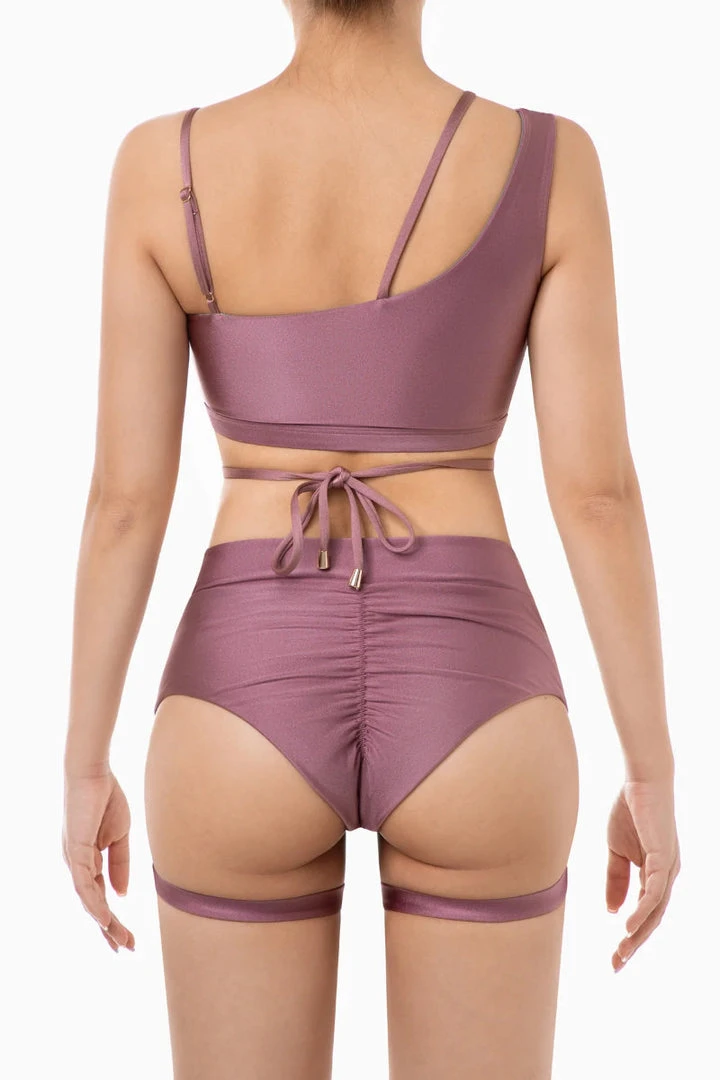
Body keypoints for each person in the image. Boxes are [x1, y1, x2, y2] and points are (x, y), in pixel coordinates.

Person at [61, 0, 681, 1076]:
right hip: (479, 697)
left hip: (235, 698)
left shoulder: (164, 164)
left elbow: (124, 501)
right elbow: (597, 497)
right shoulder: (549, 161)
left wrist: (83, 764)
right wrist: (652, 773)